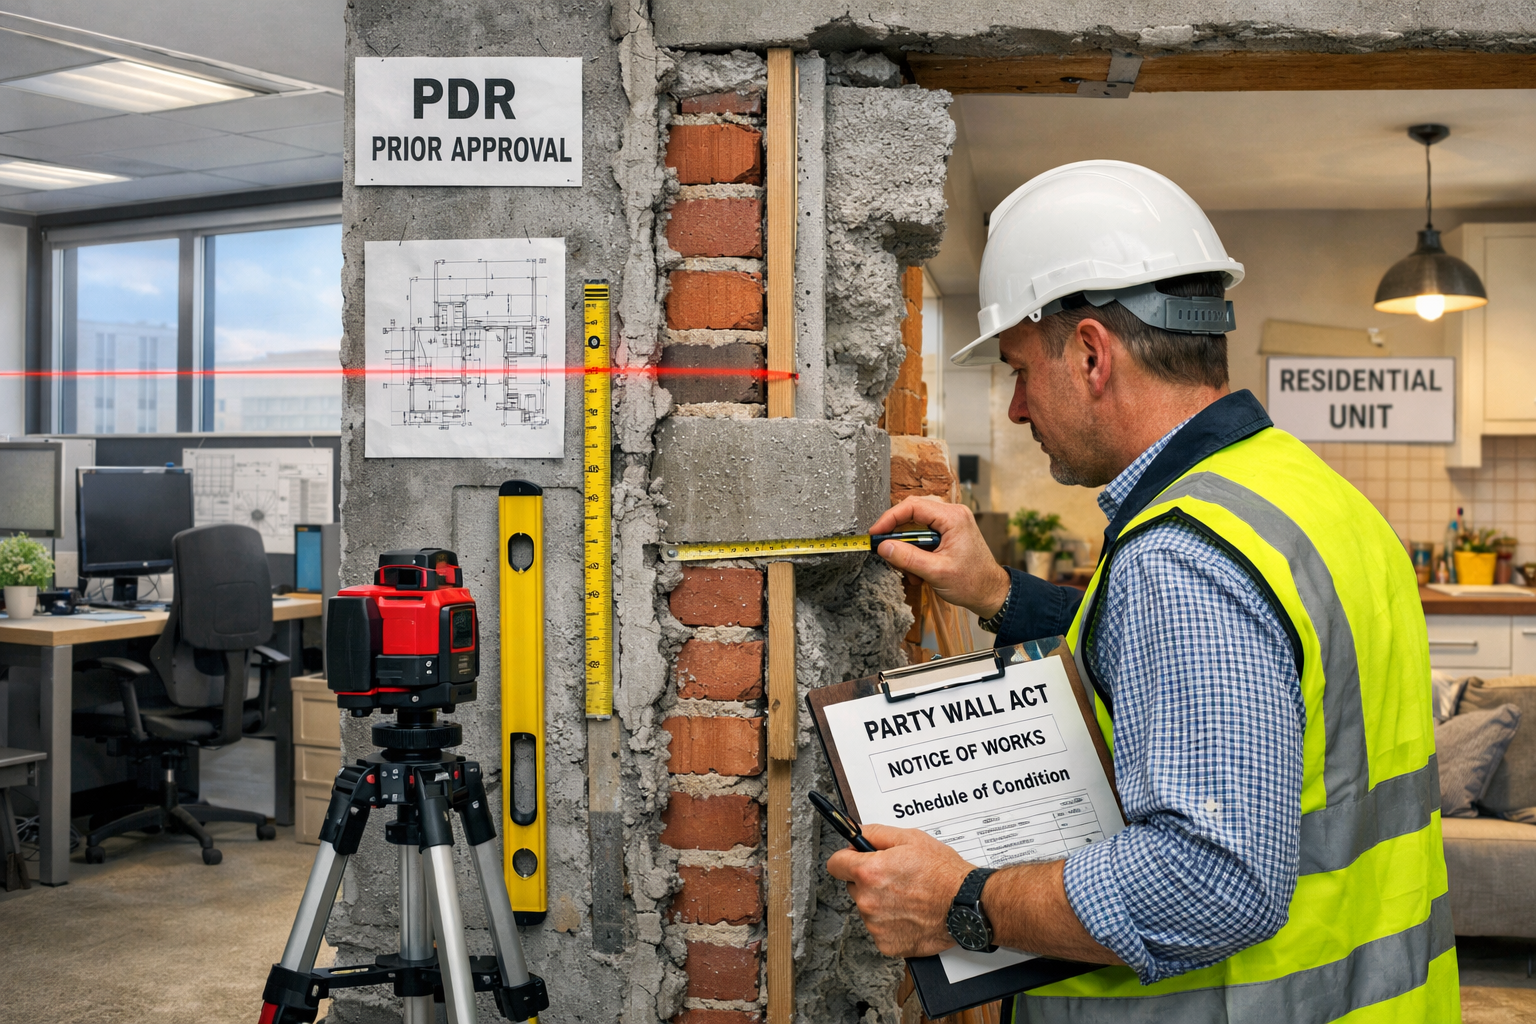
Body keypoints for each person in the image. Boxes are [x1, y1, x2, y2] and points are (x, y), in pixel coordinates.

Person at [827, 161, 1454, 1022]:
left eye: (1017, 370)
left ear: (1089, 353)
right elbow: (1191, 663)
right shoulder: (1302, 494)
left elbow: (1212, 882)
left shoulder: (1184, 558)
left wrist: (965, 899)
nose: (1015, 410)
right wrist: (1001, 593)